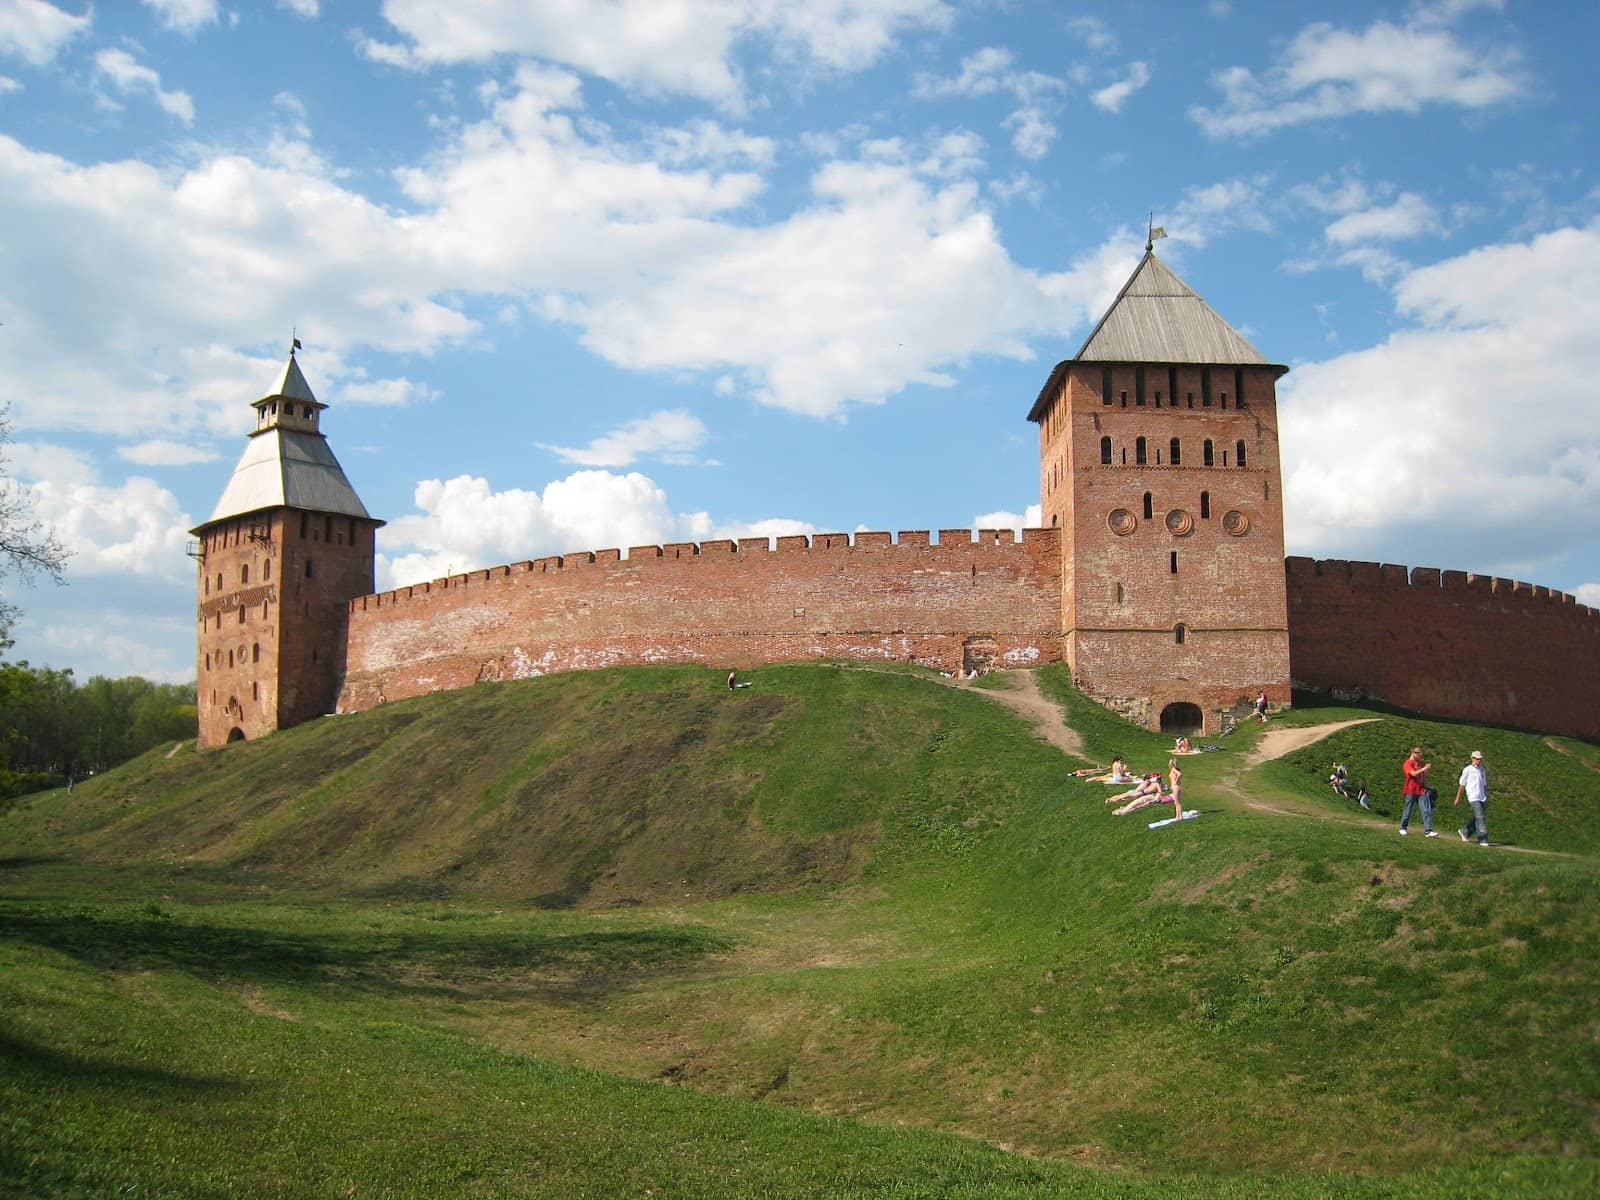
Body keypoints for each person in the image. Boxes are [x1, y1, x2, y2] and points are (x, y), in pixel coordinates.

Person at [1398, 746, 1436, 836]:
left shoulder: (1420, 764)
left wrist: (1426, 787)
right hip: (1411, 789)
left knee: (1426, 810)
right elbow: (1413, 773)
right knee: (1408, 810)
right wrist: (1424, 769)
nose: (1420, 755)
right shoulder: (1408, 763)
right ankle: (1403, 827)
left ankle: (1428, 830)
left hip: (1421, 790)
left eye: (1420, 753)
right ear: (1413, 753)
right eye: (1418, 753)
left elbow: (1422, 777)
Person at [1454, 750, 1490, 845]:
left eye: (1479, 759)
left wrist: (1486, 796)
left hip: (1482, 797)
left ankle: (1465, 831)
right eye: (1476, 759)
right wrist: (1458, 798)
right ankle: (1483, 839)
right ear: (1472, 758)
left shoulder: (1482, 770)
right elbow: (1462, 785)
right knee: (1480, 817)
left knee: (1478, 817)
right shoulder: (1467, 770)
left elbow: (1484, 784)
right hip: (1473, 797)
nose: (1478, 760)